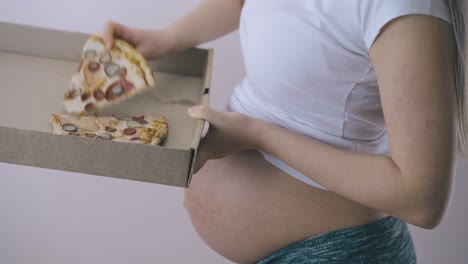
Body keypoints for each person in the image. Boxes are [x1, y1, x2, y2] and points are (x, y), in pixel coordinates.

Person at [103, 0, 466, 263]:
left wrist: (259, 135)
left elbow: (422, 199)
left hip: (340, 253)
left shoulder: (408, 8)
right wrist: (163, 39)